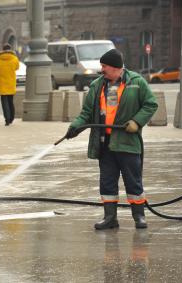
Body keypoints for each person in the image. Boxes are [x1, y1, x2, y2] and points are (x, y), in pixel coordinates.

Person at [65, 49, 157, 230]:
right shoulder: (97, 86)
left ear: (116, 67)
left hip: (127, 142)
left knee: (133, 181)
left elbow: (151, 104)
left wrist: (137, 122)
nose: (102, 69)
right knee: (107, 181)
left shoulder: (136, 83)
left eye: (105, 66)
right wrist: (75, 126)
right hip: (105, 143)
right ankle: (110, 218)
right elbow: (86, 113)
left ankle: (139, 217)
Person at [0, 43, 19, 126]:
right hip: (11, 82)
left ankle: (7, 119)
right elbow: (17, 67)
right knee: (10, 101)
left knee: (4, 102)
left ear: (3, 50)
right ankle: (11, 118)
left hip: (1, 83)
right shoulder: (14, 58)